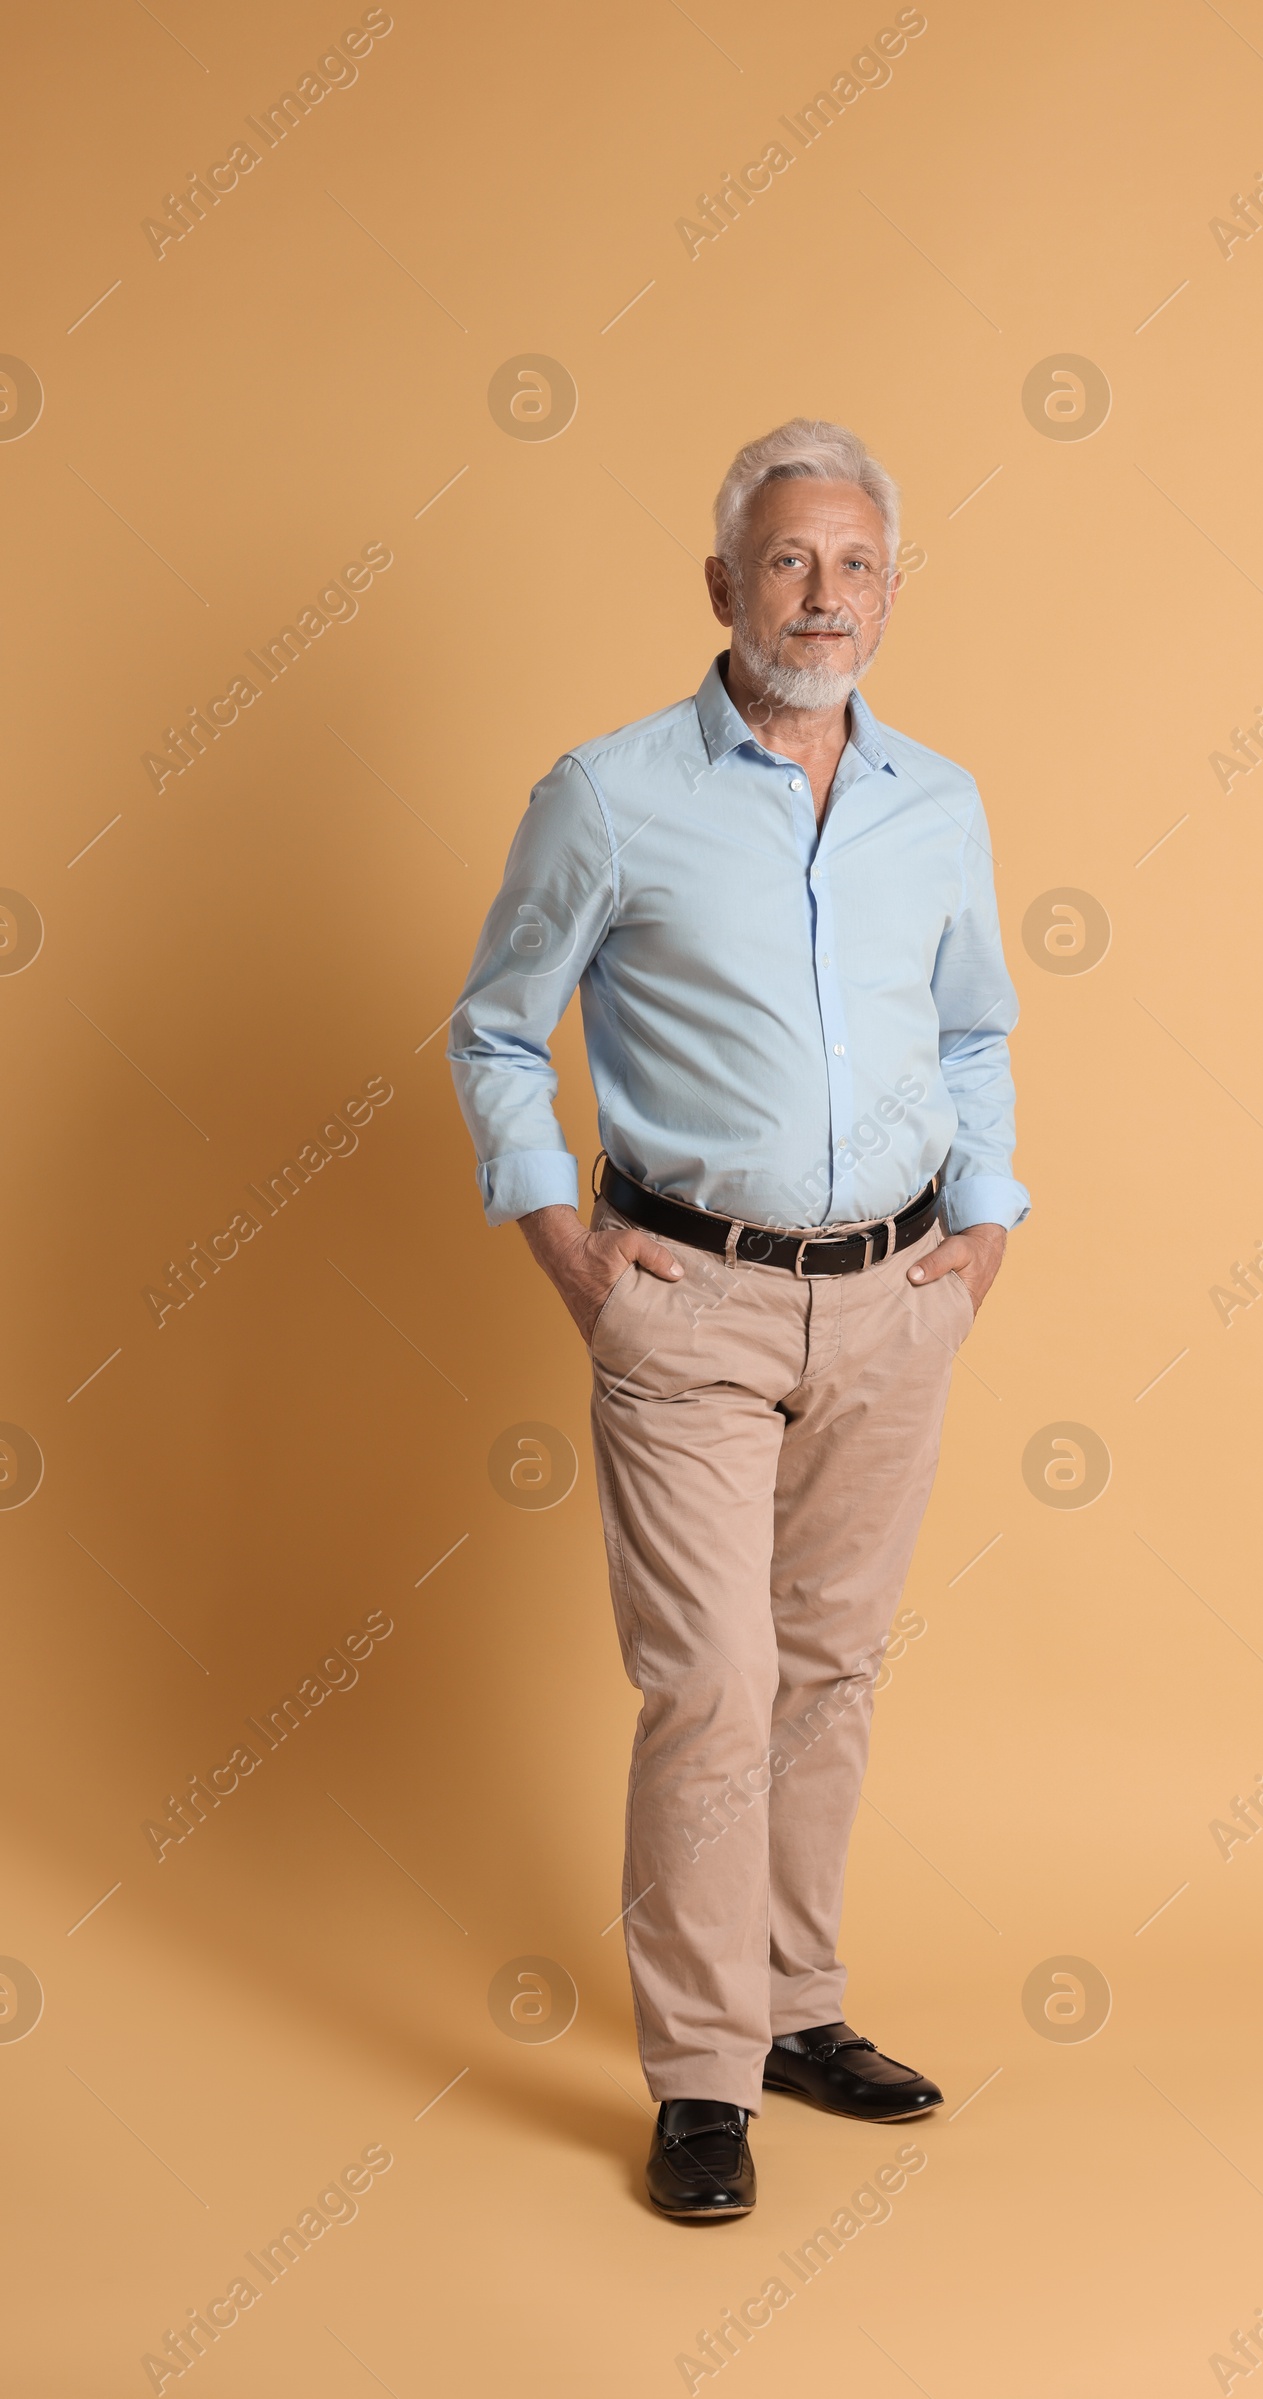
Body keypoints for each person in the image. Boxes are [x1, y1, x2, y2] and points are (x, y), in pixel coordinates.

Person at [449, 418, 1028, 2219]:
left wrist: (988, 1221)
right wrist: (558, 1242)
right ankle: (704, 2077)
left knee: (831, 1672)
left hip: (893, 1301)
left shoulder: (940, 801)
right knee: (712, 1684)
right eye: (788, 560)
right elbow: (491, 1027)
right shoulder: (609, 792)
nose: (823, 595)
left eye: (855, 562)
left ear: (895, 588)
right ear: (723, 585)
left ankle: (795, 2009)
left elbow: (975, 1032)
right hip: (684, 1301)